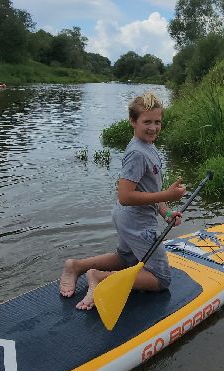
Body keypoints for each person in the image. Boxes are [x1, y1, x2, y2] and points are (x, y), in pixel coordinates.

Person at [59, 92, 186, 311]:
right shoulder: (137, 153)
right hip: (137, 223)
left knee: (126, 258)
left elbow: (151, 189)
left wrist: (166, 213)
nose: (153, 128)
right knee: (162, 278)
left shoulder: (149, 147)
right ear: (132, 121)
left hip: (128, 219)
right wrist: (167, 196)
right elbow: (125, 196)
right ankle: (100, 278)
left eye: (157, 122)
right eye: (147, 122)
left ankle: (76, 266)